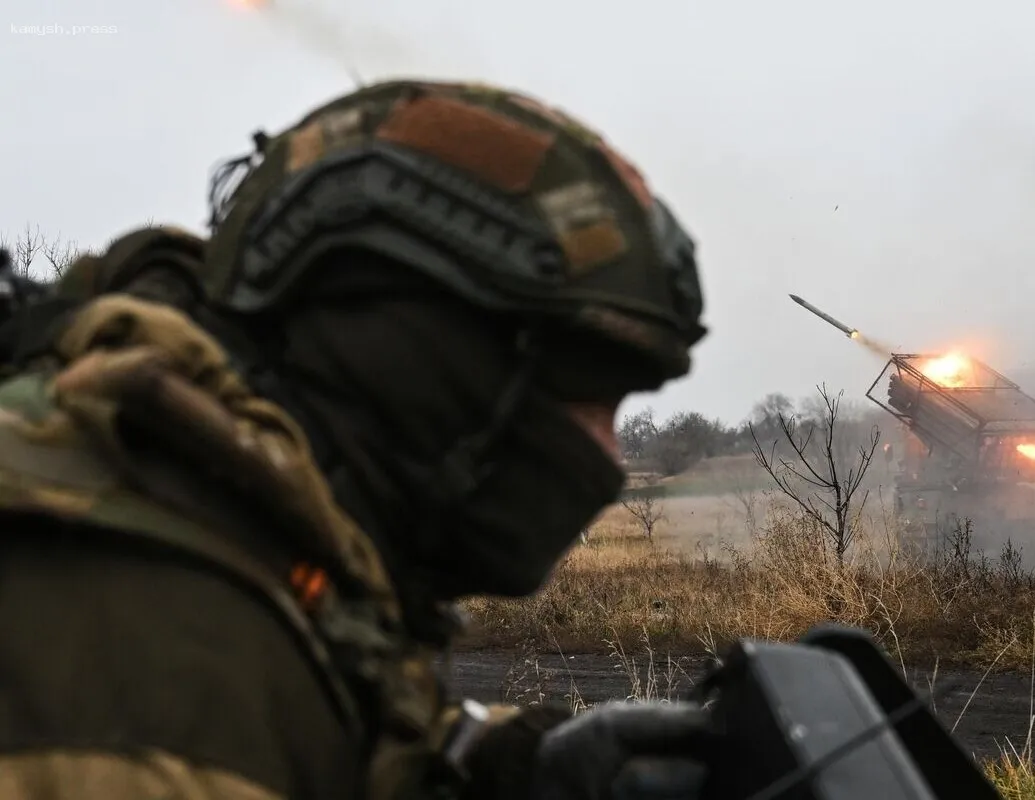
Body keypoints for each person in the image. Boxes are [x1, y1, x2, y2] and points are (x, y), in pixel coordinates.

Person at [0, 79, 710, 800]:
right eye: (586, 398)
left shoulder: (235, 537)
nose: (610, 458)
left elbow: (316, 740)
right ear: (421, 357)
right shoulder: (152, 659)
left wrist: (506, 769)